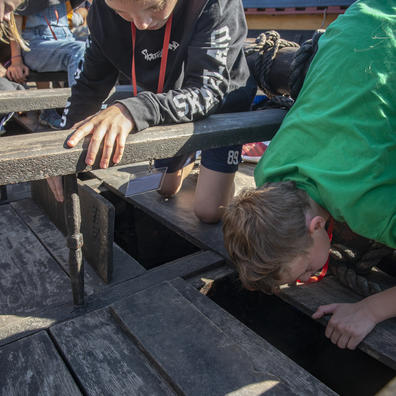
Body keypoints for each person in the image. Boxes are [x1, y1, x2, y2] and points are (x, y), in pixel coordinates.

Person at [222, 0, 396, 350]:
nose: (305, 278)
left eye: (303, 272)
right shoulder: (268, 173)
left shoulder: (370, 207)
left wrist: (372, 309)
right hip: (359, 18)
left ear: (317, 227)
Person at [47, 0, 255, 224]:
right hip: (170, 100)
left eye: (156, 7)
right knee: (164, 187)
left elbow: (207, 92)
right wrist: (61, 149)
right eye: (122, 13)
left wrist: (133, 109)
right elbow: (89, 86)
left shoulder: (214, 4)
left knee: (209, 211)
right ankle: (192, 160)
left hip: (223, 103)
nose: (142, 24)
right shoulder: (102, 15)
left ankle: (213, 165)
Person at [6, 0, 86, 128]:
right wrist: (16, 60)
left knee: (96, 45)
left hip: (66, 38)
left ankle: (94, 108)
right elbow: (14, 18)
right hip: (36, 44)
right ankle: (78, 116)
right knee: (79, 49)